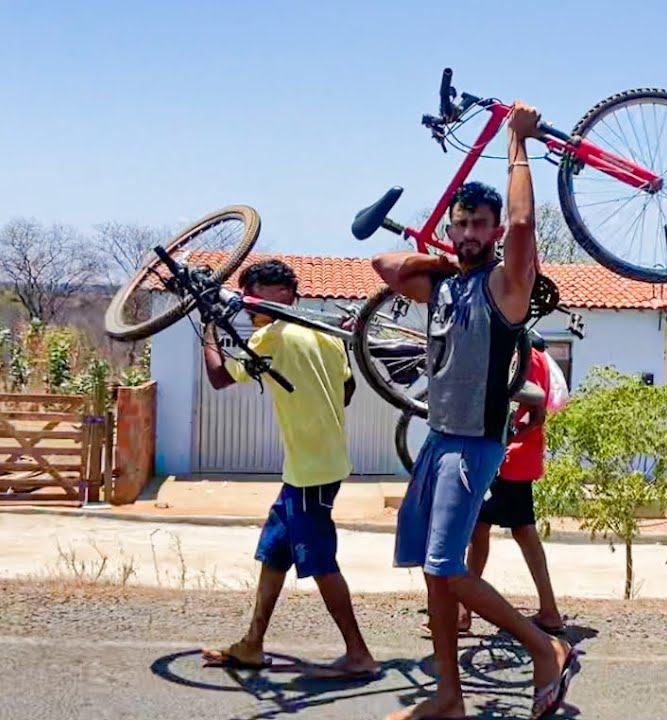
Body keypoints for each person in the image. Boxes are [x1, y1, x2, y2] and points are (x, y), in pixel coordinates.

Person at [372, 101, 577, 720]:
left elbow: (522, 223)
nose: (468, 233)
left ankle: (546, 650)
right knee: (435, 576)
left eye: (478, 225)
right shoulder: (447, 284)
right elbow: (384, 265)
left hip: (473, 447)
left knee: (445, 565)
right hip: (437, 442)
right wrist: (446, 255)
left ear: (493, 232)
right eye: (460, 224)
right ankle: (449, 698)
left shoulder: (504, 286)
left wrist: (517, 143)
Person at [198, 259, 378, 680]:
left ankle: (359, 654)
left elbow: (220, 377)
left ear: (284, 293)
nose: (248, 305)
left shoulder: (270, 337)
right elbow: (348, 390)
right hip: (310, 467)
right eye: (245, 296)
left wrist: (209, 330)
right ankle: (252, 645)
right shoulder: (327, 337)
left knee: (320, 561)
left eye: (255, 292)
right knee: (276, 550)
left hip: (311, 471)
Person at [457, 335, 563, 636]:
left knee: (496, 529)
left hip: (507, 457)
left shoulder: (519, 354)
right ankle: (463, 610)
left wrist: (508, 436)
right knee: (489, 528)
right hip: (515, 455)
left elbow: (534, 407)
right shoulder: (534, 353)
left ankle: (463, 612)